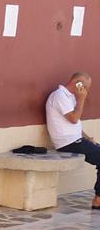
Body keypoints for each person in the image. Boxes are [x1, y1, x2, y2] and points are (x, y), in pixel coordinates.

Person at [45, 72, 100, 209]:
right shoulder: (59, 95)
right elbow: (74, 119)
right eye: (86, 88)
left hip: (76, 140)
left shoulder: (69, 97)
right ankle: (98, 200)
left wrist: (87, 137)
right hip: (67, 143)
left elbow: (75, 124)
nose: (86, 91)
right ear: (78, 84)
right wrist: (81, 99)